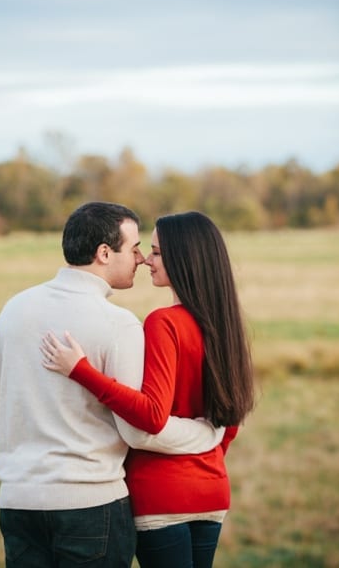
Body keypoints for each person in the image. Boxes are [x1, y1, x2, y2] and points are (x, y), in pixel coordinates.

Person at [0, 201, 227, 568]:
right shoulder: (119, 323)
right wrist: (206, 436)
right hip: (90, 504)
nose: (141, 259)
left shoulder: (13, 309)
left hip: (19, 501)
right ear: (103, 253)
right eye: (133, 248)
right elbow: (139, 431)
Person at [41, 210, 255, 568]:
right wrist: (204, 464)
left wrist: (81, 371)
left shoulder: (164, 322)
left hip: (160, 495)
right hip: (213, 492)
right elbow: (229, 422)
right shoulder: (225, 324)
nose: (145, 261)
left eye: (155, 252)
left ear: (183, 259)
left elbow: (152, 416)